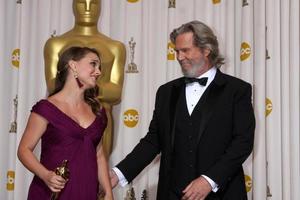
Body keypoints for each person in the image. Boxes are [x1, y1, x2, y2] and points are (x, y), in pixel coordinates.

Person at [110, 21, 255, 200]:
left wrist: (209, 180)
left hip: (222, 194)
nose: (179, 57)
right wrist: (118, 173)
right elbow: (153, 141)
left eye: (185, 50)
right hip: (172, 193)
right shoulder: (166, 92)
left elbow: (243, 142)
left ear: (206, 49)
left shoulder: (237, 90)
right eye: (176, 51)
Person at [18, 46, 113, 200]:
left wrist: (108, 192)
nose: (99, 71)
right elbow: (24, 150)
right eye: (93, 64)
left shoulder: (98, 111)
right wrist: (46, 175)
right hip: (52, 193)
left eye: (99, 66)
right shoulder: (46, 108)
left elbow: (99, 154)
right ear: (73, 65)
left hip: (86, 192)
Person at [44, 0, 126, 156]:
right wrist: (92, 87)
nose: (88, 8)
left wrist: (80, 86)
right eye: (82, 3)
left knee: (95, 169)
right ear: (73, 5)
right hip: (63, 117)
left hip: (100, 117)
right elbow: (53, 86)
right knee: (60, 167)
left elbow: (115, 93)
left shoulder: (115, 47)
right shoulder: (56, 44)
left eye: (94, 3)